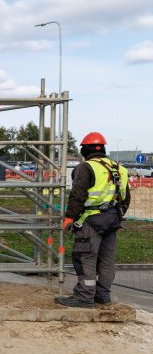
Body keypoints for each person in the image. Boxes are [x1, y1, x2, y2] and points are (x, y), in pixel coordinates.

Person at [56, 131, 130, 308]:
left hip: (91, 220)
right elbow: (125, 198)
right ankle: (103, 295)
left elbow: (77, 196)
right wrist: (117, 216)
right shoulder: (120, 169)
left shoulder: (86, 167)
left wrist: (69, 218)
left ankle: (84, 297)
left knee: (85, 257)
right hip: (113, 220)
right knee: (106, 259)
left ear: (85, 150)